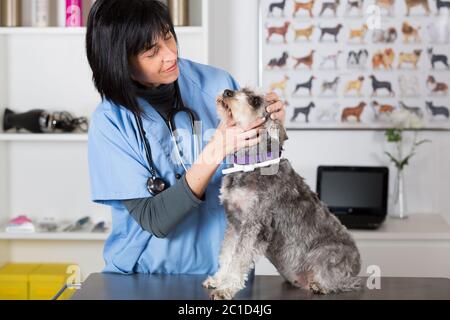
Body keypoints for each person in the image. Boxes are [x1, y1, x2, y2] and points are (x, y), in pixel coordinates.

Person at [86, 0, 286, 274]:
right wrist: (216, 149)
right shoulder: (111, 122)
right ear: (120, 62)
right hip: (147, 278)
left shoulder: (216, 84)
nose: (170, 55)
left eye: (168, 36)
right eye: (151, 51)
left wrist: (271, 131)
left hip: (224, 274)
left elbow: (261, 174)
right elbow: (154, 219)